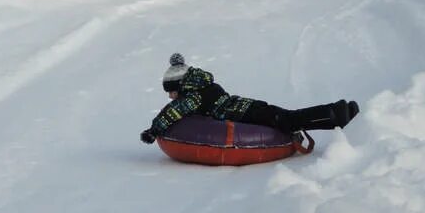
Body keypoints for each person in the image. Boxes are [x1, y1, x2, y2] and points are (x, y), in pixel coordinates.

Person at [139, 54, 359, 143]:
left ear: (180, 86)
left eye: (171, 91)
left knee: (289, 121)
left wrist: (153, 131)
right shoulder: (205, 84)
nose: (170, 96)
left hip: (245, 115)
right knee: (286, 117)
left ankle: (336, 115)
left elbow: (172, 112)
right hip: (248, 105)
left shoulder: (193, 97)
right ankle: (338, 111)